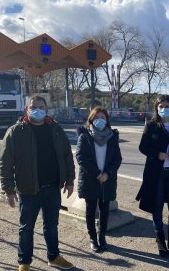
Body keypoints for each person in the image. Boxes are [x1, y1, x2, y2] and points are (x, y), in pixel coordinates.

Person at [0, 95, 75, 271]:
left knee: (52, 226)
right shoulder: (16, 132)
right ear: (27, 109)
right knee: (26, 228)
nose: (37, 110)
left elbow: (67, 156)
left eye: (41, 107)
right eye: (33, 107)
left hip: (53, 187)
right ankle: (24, 262)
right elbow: (5, 162)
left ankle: (54, 257)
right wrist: (9, 190)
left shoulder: (55, 129)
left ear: (46, 109)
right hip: (28, 189)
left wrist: (69, 180)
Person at [136, 95, 169, 257]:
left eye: (166, 106)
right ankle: (160, 239)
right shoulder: (152, 125)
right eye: (160, 106)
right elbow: (143, 147)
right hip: (156, 174)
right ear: (156, 108)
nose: (163, 109)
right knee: (157, 206)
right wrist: (156, 154)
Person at [75, 107, 122, 252]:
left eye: (102, 117)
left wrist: (107, 173)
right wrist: (97, 174)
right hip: (91, 179)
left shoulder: (112, 137)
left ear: (107, 120)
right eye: (96, 118)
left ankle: (102, 237)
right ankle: (93, 238)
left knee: (104, 210)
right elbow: (80, 157)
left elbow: (117, 158)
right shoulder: (85, 136)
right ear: (91, 120)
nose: (100, 120)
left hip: (107, 180)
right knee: (90, 210)